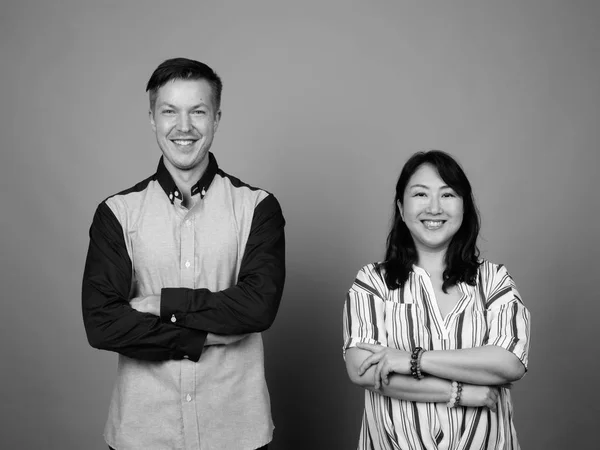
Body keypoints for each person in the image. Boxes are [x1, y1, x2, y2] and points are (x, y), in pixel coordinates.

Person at [82, 58, 285, 450]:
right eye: (170, 112)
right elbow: (103, 323)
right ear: (152, 119)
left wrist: (163, 304)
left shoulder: (258, 207)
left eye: (198, 112)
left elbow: (257, 308)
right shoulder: (117, 213)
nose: (184, 127)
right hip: (142, 434)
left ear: (217, 118)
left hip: (237, 433)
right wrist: (205, 335)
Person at [343, 150, 530, 450]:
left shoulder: (495, 280)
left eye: (447, 195)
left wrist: (411, 360)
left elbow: (509, 362)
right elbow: (362, 370)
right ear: (402, 209)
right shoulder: (372, 282)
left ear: (464, 208)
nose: (434, 207)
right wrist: (458, 393)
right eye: (420, 194)